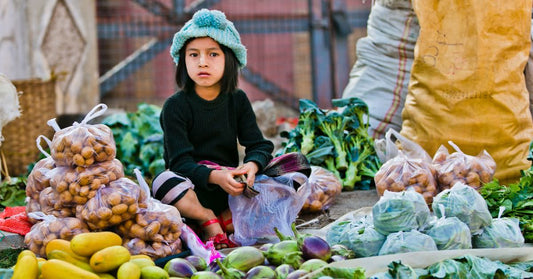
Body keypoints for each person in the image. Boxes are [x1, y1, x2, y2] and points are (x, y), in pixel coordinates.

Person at [151, 9, 275, 249]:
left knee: (287, 172)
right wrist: (214, 176)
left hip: (231, 189)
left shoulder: (237, 100)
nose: (203, 62)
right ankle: (206, 218)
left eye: (213, 54)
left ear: (229, 59)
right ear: (183, 60)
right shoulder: (175, 106)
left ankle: (228, 216)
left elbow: (259, 145)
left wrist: (251, 165)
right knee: (163, 180)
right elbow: (179, 163)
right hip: (191, 191)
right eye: (193, 55)